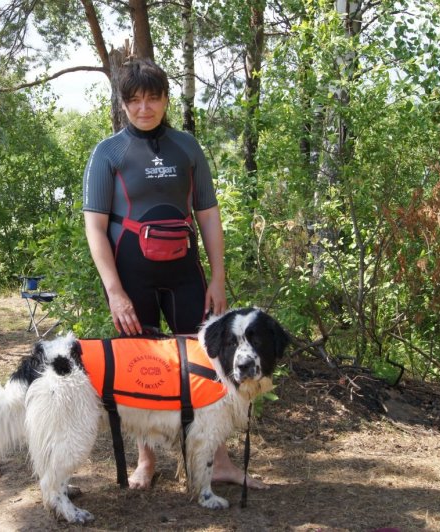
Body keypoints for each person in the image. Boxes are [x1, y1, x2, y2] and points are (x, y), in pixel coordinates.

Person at [82, 57, 265, 490]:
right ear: (123, 103)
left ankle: (217, 460)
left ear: (166, 99)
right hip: (132, 276)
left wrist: (217, 278)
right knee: (141, 366)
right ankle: (146, 461)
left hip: (185, 274)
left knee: (208, 362)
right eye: (134, 100)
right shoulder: (108, 153)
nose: (144, 108)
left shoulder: (187, 147)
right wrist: (115, 291)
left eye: (153, 98)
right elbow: (94, 228)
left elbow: (209, 215)